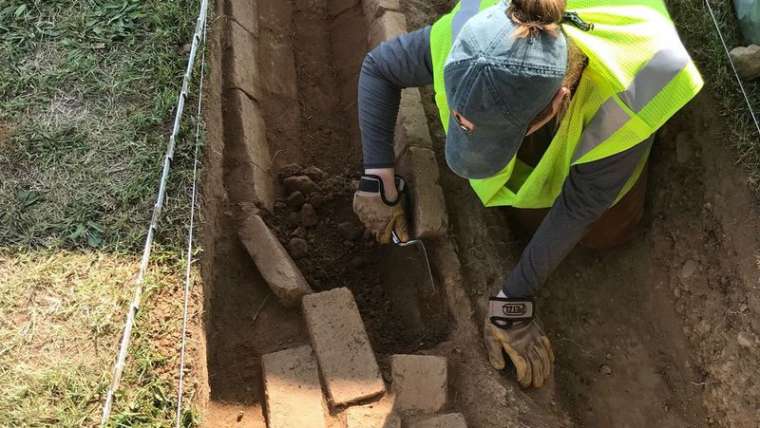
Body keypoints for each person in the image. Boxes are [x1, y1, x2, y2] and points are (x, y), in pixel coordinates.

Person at [352, 0, 703, 388]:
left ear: (558, 104)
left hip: (625, 60)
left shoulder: (632, 90)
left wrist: (513, 301)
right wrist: (378, 180)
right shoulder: (472, 35)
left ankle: (649, 138)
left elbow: (582, 202)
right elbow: (378, 68)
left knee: (607, 232)